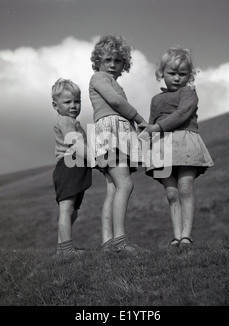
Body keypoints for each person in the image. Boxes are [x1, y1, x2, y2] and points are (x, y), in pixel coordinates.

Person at [139, 47, 214, 247]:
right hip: (161, 149)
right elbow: (151, 125)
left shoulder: (188, 92)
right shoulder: (155, 99)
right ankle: (177, 236)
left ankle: (186, 237)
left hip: (185, 144)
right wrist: (145, 141)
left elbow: (182, 113)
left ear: (189, 76)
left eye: (182, 74)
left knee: (185, 188)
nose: (177, 78)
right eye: (172, 73)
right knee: (171, 194)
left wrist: (155, 127)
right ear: (161, 74)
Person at [89, 34, 148, 253]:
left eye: (118, 60)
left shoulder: (109, 81)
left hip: (112, 133)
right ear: (98, 62)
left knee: (113, 187)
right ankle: (121, 241)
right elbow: (115, 102)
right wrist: (139, 119)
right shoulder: (100, 78)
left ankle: (107, 242)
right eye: (107, 60)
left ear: (124, 64)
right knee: (125, 184)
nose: (112, 65)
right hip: (112, 132)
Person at [52, 78, 92, 256]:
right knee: (67, 209)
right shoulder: (66, 121)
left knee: (72, 211)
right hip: (69, 165)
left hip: (76, 166)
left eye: (77, 101)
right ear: (55, 105)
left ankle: (62, 250)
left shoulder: (72, 122)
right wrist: (95, 159)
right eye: (67, 102)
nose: (73, 106)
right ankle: (67, 250)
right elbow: (74, 144)